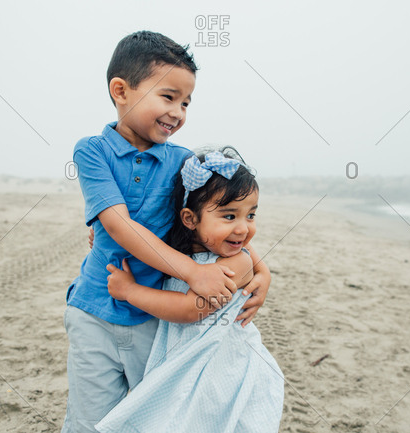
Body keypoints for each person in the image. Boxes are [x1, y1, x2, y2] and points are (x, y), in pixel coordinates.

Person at [62, 31, 272, 432]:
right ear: (121, 90)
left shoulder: (183, 162)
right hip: (94, 309)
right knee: (90, 421)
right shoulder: (92, 150)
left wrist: (260, 269)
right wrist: (193, 272)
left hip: (156, 320)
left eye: (186, 102)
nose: (178, 111)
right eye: (168, 96)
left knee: (155, 417)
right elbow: (118, 223)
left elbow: (216, 220)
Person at [96, 148, 284, 433]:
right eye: (230, 216)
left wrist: (130, 291)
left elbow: (189, 309)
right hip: (192, 361)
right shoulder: (183, 256)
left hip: (220, 371)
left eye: (251, 215)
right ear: (189, 219)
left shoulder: (238, 263)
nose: (244, 228)